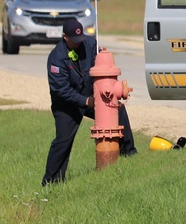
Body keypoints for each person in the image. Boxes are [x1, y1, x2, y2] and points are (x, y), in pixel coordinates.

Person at [43, 18, 136, 184]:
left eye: (80, 38)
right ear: (65, 37)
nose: (79, 42)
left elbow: (100, 69)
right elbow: (61, 90)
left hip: (90, 97)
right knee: (63, 141)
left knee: (118, 109)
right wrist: (86, 101)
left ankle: (129, 153)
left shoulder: (90, 44)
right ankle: (51, 181)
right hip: (67, 105)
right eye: (74, 40)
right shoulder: (56, 58)